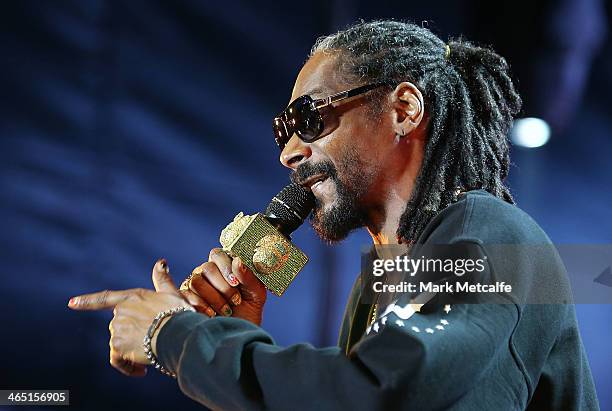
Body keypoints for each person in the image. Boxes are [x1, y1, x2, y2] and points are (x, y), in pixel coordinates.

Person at [69, 20, 599, 410]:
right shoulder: (382, 283)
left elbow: (377, 393)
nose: (289, 152)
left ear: (402, 110)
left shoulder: (495, 238)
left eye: (309, 118)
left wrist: (177, 337)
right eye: (283, 132)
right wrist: (238, 343)